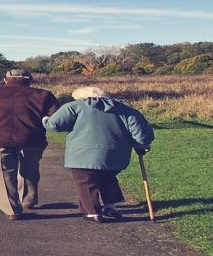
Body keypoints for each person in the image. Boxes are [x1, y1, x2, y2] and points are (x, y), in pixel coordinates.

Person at [43, 86, 154, 223]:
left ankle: (92, 212)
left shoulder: (74, 106)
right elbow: (142, 134)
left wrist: (45, 120)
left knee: (86, 181)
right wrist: (141, 145)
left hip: (82, 154)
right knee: (108, 177)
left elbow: (54, 125)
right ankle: (110, 207)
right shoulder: (125, 109)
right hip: (116, 154)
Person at [0, 69, 60, 220]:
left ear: (5, 80)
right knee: (30, 169)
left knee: (2, 173)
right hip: (32, 139)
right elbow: (56, 117)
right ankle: (27, 200)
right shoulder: (43, 95)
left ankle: (11, 209)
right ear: (29, 80)